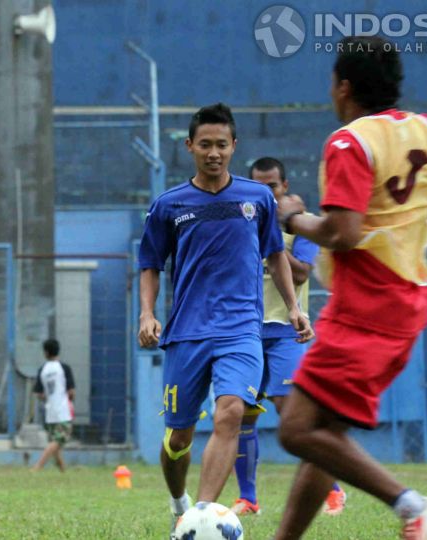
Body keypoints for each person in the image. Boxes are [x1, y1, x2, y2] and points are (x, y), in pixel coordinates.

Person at [273, 36, 427, 540]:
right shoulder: (424, 131)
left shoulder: (350, 142)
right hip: (406, 306)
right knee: (326, 435)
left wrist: (294, 219)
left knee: (296, 429)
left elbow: (343, 233)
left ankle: (412, 505)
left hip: (366, 307)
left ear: (343, 87)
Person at [136, 103, 314, 533]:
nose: (213, 152)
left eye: (221, 144)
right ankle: (180, 502)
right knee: (178, 438)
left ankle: (202, 518)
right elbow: (150, 264)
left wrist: (293, 306)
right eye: (204, 145)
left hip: (241, 329)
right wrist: (146, 313)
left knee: (231, 411)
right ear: (190, 147)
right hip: (187, 333)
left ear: (234, 146)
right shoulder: (169, 205)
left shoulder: (256, 199)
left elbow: (275, 254)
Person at [230, 157, 346, 517]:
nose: (266, 192)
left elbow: (301, 274)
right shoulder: (241, 221)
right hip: (247, 330)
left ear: (285, 186)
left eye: (273, 186)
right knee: (240, 413)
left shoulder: (301, 224)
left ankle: (334, 486)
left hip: (286, 331)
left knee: (290, 412)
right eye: (259, 186)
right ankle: (248, 498)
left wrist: (272, 241)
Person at [30, 338, 76, 472]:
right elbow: (71, 391)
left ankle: (63, 470)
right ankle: (37, 467)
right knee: (60, 440)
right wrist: (70, 400)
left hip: (50, 412)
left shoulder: (42, 370)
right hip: (63, 411)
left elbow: (39, 393)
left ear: (45, 352)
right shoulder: (64, 368)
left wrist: (48, 399)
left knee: (55, 443)